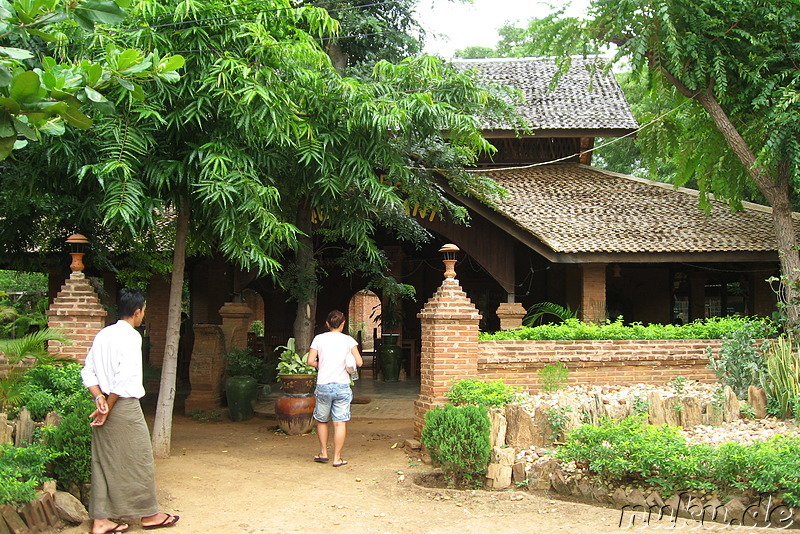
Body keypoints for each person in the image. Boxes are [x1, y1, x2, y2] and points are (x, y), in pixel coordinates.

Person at [81, 289, 180, 534]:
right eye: (143, 311)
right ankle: (150, 514)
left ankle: (101, 520)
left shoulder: (103, 334)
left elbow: (88, 371)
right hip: (122, 405)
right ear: (137, 312)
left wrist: (99, 400)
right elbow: (124, 378)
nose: (142, 315)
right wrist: (109, 406)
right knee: (141, 458)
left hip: (104, 402)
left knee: (103, 461)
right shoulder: (131, 337)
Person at [307, 310, 363, 467]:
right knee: (339, 423)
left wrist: (322, 364)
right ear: (343, 323)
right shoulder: (348, 340)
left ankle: (323, 453)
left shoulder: (319, 339)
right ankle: (337, 458)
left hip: (323, 385)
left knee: (322, 421)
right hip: (342, 386)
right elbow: (359, 362)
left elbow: (310, 361)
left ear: (327, 324)